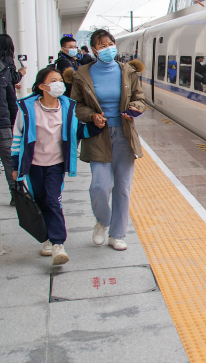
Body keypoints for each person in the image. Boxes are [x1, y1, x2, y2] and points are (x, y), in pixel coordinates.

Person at [11, 68, 100, 265]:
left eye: (60, 80)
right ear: (42, 86)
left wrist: (96, 126)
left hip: (56, 165)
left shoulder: (68, 107)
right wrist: (15, 165)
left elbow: (78, 131)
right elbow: (17, 137)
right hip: (33, 165)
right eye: (53, 80)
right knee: (40, 200)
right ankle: (47, 239)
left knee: (53, 200)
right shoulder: (26, 109)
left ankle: (58, 244)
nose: (59, 83)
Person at [71, 29, 146, 251]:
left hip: (124, 134)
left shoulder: (128, 71)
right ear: (94, 49)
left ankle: (117, 234)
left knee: (122, 188)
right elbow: (76, 105)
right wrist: (92, 116)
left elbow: (139, 99)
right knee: (100, 186)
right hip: (98, 135)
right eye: (102, 45)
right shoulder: (82, 74)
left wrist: (134, 108)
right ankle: (103, 221)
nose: (107, 48)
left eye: (110, 43)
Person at [0, 35, 19, 206]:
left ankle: (17, 196)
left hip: (1, 122)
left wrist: (15, 123)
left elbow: (11, 99)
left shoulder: (3, 69)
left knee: (9, 160)